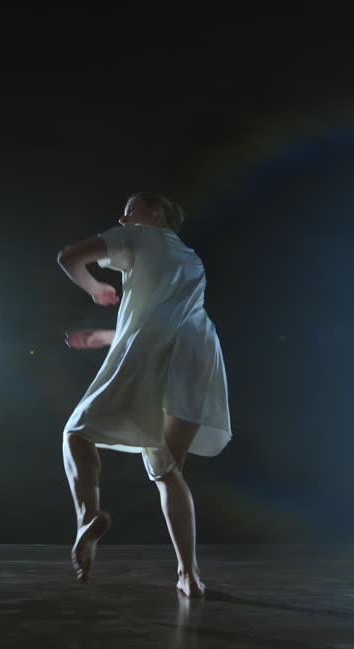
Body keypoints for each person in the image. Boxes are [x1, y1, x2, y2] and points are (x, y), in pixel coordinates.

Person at [56, 191, 232, 597]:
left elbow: (69, 257)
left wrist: (94, 287)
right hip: (200, 354)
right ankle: (189, 575)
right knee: (168, 469)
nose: (122, 218)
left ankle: (87, 517)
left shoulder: (139, 236)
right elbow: (166, 320)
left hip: (154, 353)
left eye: (130, 210)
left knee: (76, 433)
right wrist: (105, 337)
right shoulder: (191, 259)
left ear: (156, 212)